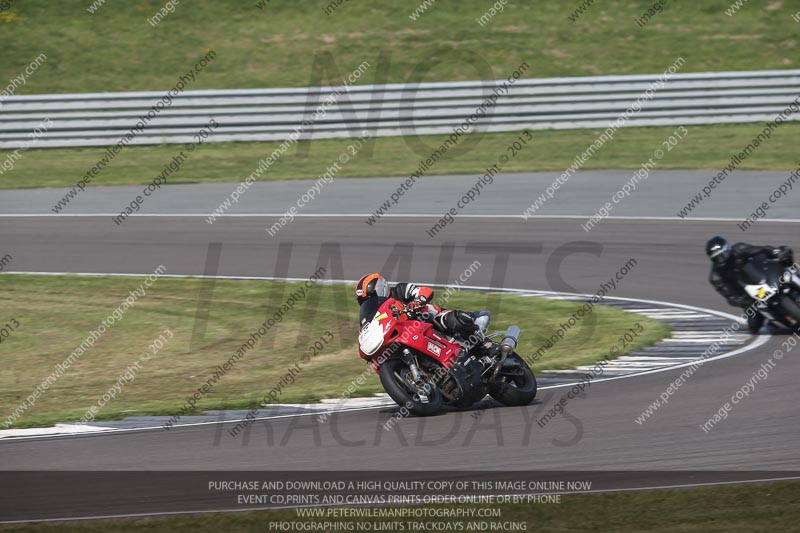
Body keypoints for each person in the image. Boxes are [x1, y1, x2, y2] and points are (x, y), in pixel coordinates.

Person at [354, 273, 491, 350]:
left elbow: (424, 291)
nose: (370, 301)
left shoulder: (400, 291)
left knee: (444, 319)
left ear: (381, 287)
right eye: (364, 300)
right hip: (407, 337)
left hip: (427, 320)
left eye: (371, 297)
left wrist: (418, 301)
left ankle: (481, 342)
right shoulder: (376, 315)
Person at [705, 236, 794, 333]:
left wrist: (775, 251)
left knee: (786, 260)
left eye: (722, 254)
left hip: (762, 278)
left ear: (728, 248)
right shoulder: (716, 277)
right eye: (717, 258)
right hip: (749, 296)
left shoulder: (739, 249)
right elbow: (729, 295)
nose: (721, 259)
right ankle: (773, 321)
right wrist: (743, 301)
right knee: (754, 326)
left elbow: (760, 250)